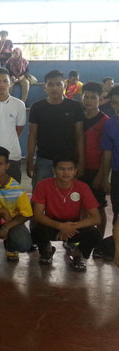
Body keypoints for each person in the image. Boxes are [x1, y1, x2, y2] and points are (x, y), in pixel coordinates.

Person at [31, 157, 102, 271]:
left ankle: (78, 254)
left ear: (75, 171)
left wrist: (70, 227)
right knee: (36, 230)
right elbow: (38, 215)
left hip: (74, 225)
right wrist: (60, 226)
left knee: (94, 234)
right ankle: (47, 250)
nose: (66, 172)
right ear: (54, 170)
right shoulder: (43, 185)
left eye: (70, 169)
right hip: (52, 223)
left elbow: (96, 218)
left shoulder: (82, 187)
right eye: (61, 169)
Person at [27, 70, 85, 188]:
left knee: (67, 196)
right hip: (44, 159)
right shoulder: (37, 107)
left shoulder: (75, 106)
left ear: (64, 86)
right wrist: (29, 160)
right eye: (51, 84)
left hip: (68, 160)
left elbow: (79, 135)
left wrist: (81, 159)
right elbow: (32, 135)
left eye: (58, 84)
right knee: (40, 195)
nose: (54, 88)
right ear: (45, 87)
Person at [79, 81, 110, 253]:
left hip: (96, 171)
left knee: (98, 207)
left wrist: (102, 175)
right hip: (79, 170)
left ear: (101, 99)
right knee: (82, 206)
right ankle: (82, 238)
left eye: (93, 98)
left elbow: (107, 152)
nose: (89, 101)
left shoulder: (105, 122)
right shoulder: (79, 119)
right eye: (86, 97)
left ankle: (99, 241)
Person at [101, 86, 119, 223]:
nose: (117, 106)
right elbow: (107, 153)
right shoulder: (110, 124)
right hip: (117, 175)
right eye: (114, 102)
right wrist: (105, 178)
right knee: (117, 213)